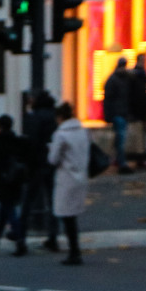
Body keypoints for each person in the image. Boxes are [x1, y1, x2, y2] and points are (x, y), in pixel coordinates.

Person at [15, 91, 58, 256]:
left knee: (27, 203)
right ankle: (52, 236)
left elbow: (30, 142)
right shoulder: (54, 118)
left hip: (35, 165)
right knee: (52, 202)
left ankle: (21, 239)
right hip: (50, 164)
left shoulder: (33, 118)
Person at [48, 101, 89, 266]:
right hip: (80, 176)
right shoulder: (83, 131)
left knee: (66, 216)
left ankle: (74, 251)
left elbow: (53, 159)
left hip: (66, 178)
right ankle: (75, 250)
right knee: (72, 216)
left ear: (59, 117)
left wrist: (50, 148)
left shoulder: (61, 135)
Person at [0, 114, 26, 252]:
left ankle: (19, 239)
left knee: (8, 209)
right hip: (15, 180)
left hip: (2, 181)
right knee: (5, 208)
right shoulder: (16, 141)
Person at [102, 57, 133, 174]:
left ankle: (118, 159)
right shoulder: (114, 80)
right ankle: (121, 162)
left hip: (122, 113)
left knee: (119, 139)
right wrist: (108, 115)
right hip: (117, 113)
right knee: (120, 138)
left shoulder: (123, 79)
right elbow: (108, 99)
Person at [129, 55, 146, 169]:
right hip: (138, 109)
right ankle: (140, 158)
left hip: (141, 108)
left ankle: (141, 157)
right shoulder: (137, 74)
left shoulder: (140, 74)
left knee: (142, 134)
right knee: (139, 135)